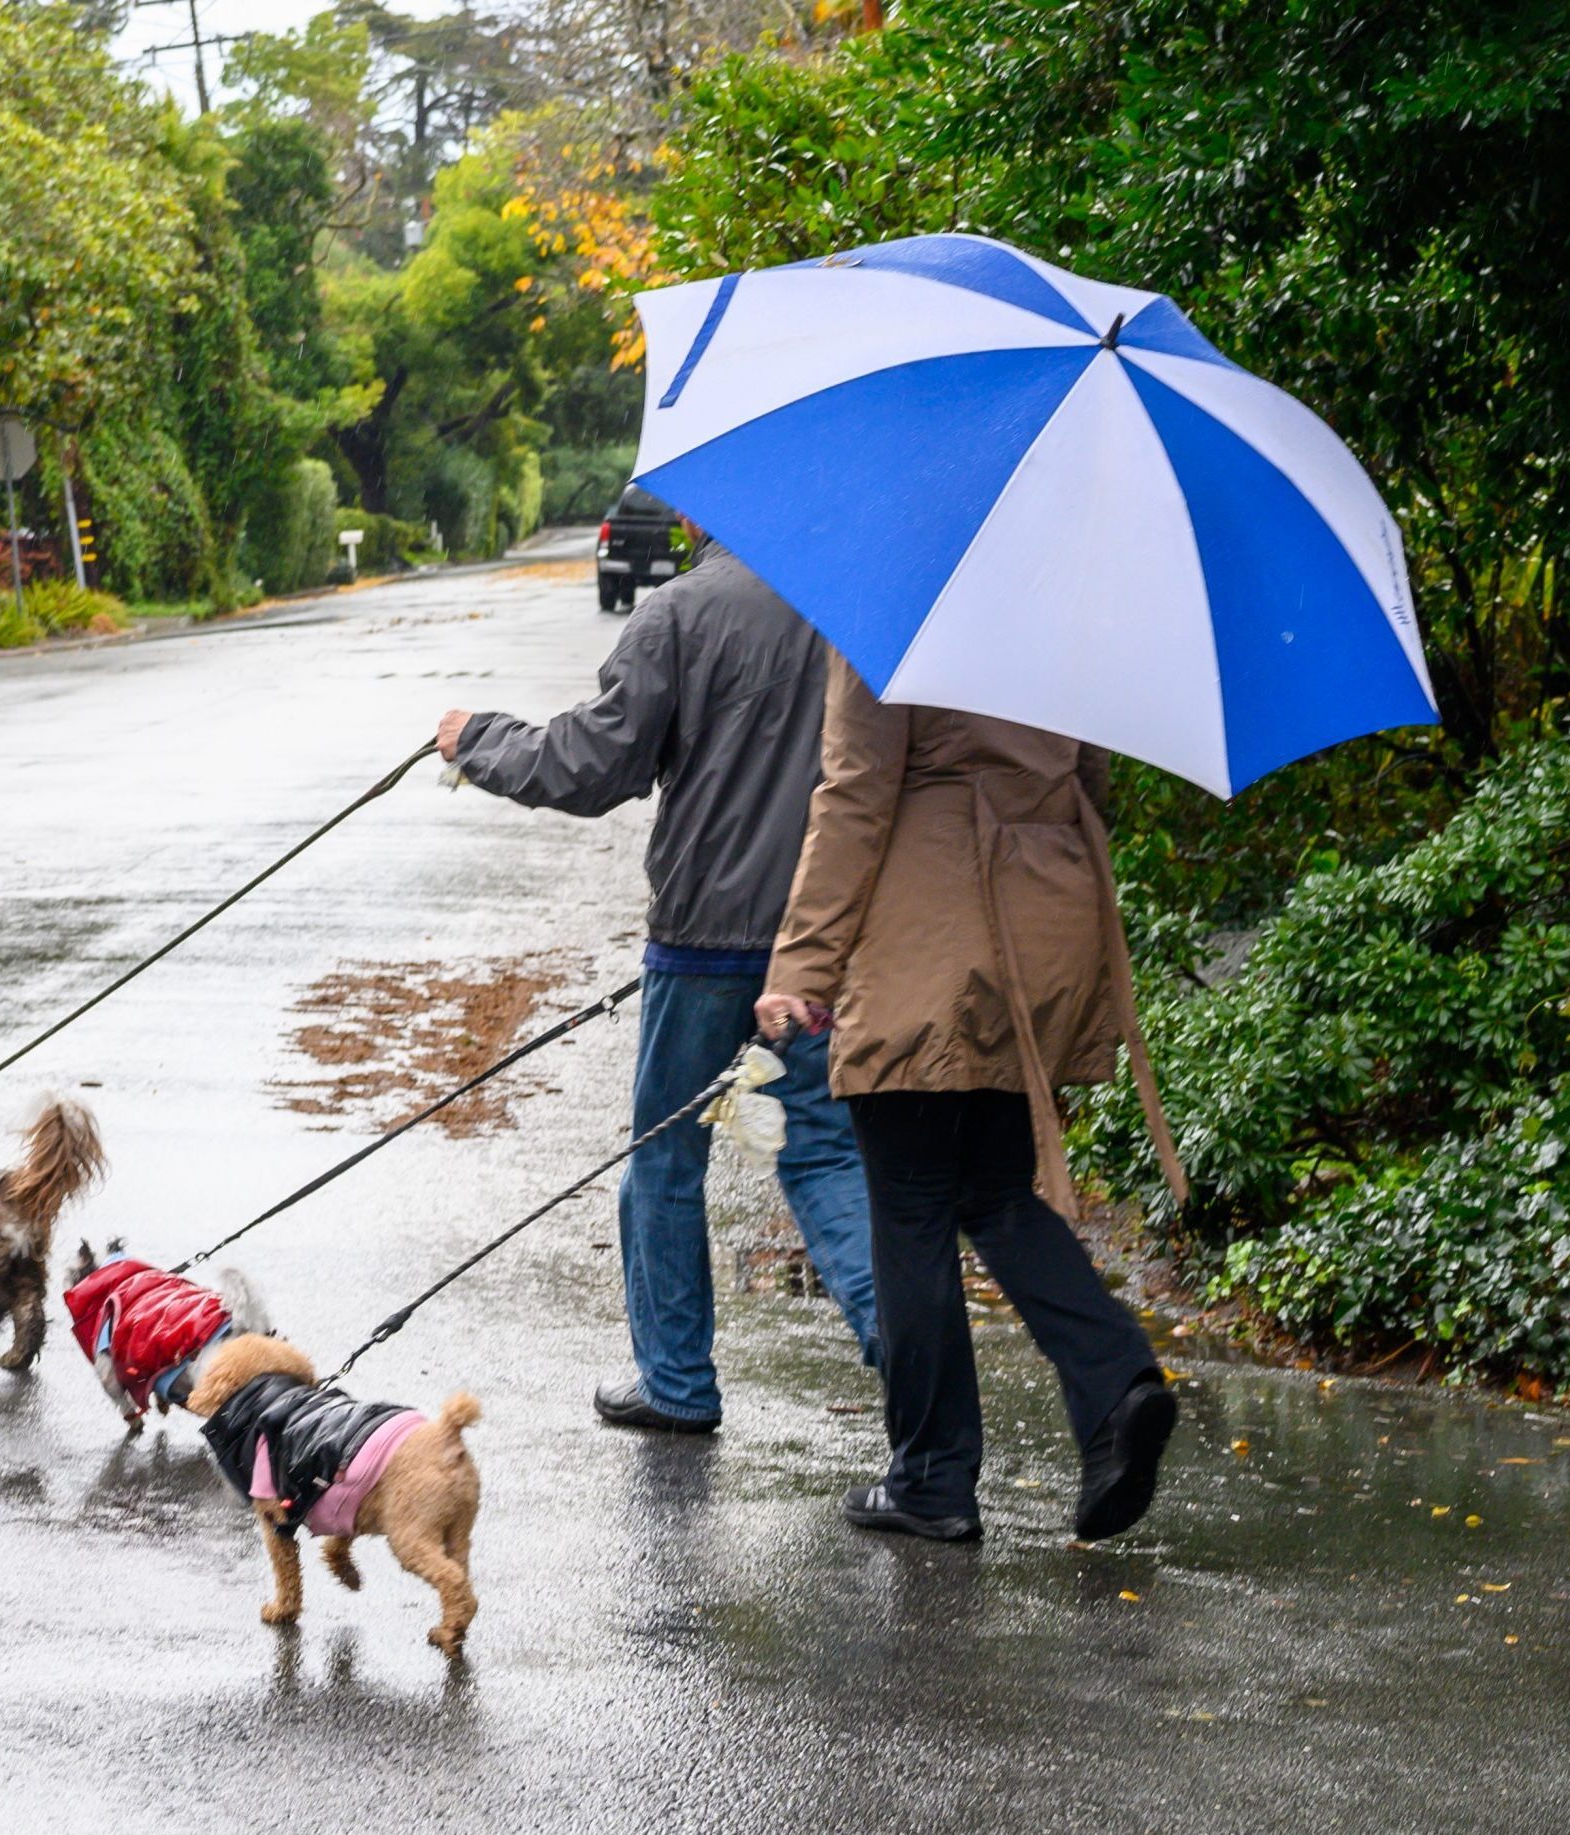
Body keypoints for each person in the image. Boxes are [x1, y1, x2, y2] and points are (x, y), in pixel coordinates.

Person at [435, 523, 880, 1434]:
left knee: (664, 1161)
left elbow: (591, 763)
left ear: (698, 515)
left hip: (702, 941)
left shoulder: (678, 612)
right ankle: (911, 1355)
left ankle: (676, 1382)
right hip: (818, 946)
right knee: (826, 1154)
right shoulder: (856, 612)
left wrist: (476, 739)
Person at [755, 652, 1189, 1542]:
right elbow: (1092, 774)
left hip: (929, 927)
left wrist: (803, 963)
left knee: (910, 1209)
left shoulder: (900, 610)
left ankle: (929, 1474)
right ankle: (1118, 1383)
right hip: (1042, 910)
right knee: (992, 1190)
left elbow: (855, 792)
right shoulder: (1061, 603)